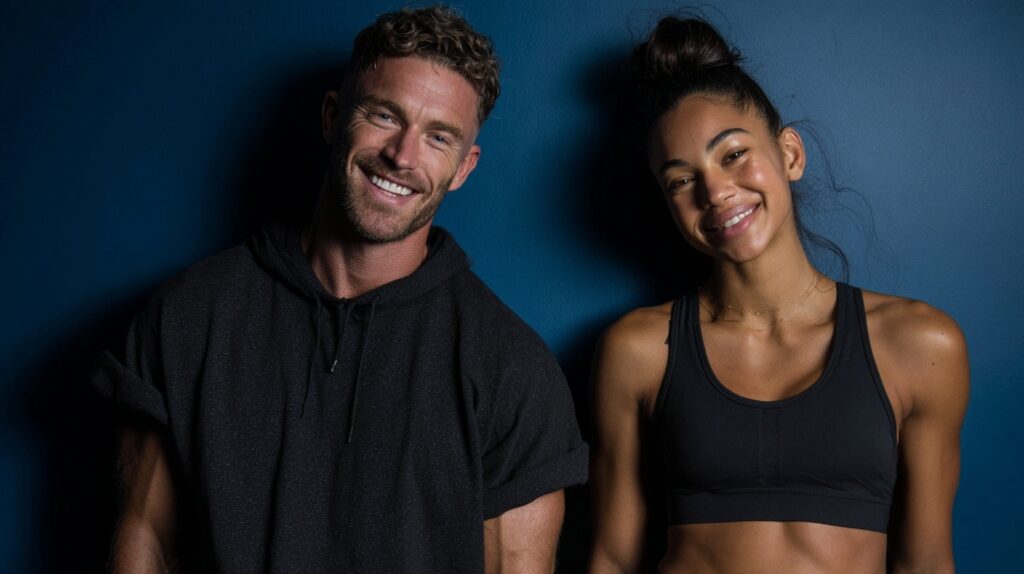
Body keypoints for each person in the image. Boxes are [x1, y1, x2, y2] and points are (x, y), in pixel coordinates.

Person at [93, 6, 588, 573]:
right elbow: (146, 540)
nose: (402, 156)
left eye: (438, 137)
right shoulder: (187, 317)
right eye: (383, 115)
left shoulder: (511, 368)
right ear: (333, 117)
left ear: (463, 168)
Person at [588, 16, 969, 574]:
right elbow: (612, 560)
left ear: (789, 154)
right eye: (681, 180)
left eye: (734, 153)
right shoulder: (639, 350)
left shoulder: (920, 345)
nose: (716, 192)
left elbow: (928, 564)